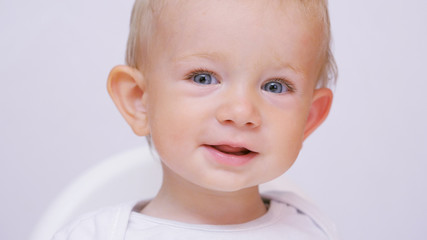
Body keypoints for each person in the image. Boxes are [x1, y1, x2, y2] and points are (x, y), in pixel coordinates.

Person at [53, 0, 339, 239]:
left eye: (275, 86)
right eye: (203, 78)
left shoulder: (312, 230)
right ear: (140, 100)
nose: (240, 113)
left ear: (308, 118)